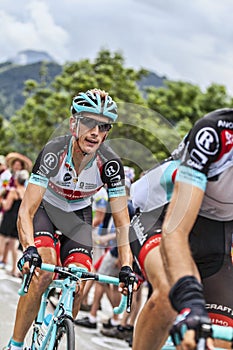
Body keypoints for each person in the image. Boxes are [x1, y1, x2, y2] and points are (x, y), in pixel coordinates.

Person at [6, 89, 136, 350]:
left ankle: (58, 339)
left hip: (78, 216)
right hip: (47, 210)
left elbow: (122, 222)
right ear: (73, 123)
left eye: (103, 126)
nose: (95, 132)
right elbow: (26, 211)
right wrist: (29, 248)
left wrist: (126, 266)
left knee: (78, 280)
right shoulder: (54, 152)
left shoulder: (110, 164)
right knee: (44, 271)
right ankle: (16, 344)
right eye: (89, 122)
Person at [129, 108, 233, 349]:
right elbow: (175, 231)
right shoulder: (215, 133)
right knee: (169, 295)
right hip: (162, 216)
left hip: (216, 238)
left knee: (220, 339)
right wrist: (191, 300)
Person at [0, 170, 29, 277]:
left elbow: (7, 206)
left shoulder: (13, 191)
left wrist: (2, 200)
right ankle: (14, 269)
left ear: (17, 180)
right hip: (18, 219)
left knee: (2, 239)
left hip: (9, 218)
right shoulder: (26, 192)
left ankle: (1, 260)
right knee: (14, 244)